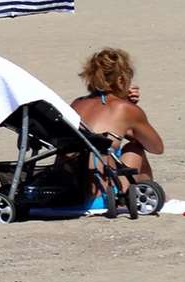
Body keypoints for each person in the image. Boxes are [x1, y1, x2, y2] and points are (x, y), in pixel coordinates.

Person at [69, 48, 164, 197]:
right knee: (135, 148)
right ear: (121, 80)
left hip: (71, 191)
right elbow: (156, 148)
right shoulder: (124, 109)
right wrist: (132, 109)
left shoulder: (77, 103)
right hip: (101, 193)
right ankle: (148, 194)